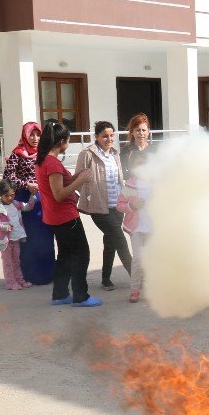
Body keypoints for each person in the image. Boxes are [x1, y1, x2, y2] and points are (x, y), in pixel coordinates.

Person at [35, 122, 99, 307]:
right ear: (62, 141)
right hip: (65, 216)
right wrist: (80, 181)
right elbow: (59, 194)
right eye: (68, 140)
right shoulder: (52, 163)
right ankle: (81, 296)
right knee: (81, 254)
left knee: (65, 255)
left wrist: (75, 176)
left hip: (55, 216)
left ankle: (60, 295)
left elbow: (57, 186)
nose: (69, 143)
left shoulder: (44, 160)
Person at [76, 121, 132, 291]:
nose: (109, 139)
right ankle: (137, 277)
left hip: (117, 206)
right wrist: (88, 194)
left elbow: (118, 180)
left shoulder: (115, 154)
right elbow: (77, 179)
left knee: (111, 242)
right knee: (120, 240)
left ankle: (105, 278)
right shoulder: (87, 154)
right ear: (97, 137)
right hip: (99, 207)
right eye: (105, 136)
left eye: (111, 135)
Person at [3, 121, 54, 285]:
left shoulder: (44, 153)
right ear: (25, 135)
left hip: (43, 200)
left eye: (38, 134)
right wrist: (26, 185)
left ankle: (48, 273)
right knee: (29, 238)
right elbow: (8, 178)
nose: (35, 138)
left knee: (45, 236)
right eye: (31, 134)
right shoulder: (16, 154)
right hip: (24, 201)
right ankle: (29, 275)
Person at [0, 179, 37, 290]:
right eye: (7, 196)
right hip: (4, 241)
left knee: (16, 261)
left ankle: (20, 280)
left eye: (12, 195)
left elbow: (28, 207)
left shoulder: (15, 204)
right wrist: (3, 227)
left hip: (16, 238)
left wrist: (33, 196)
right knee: (8, 262)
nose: (10, 198)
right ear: (0, 194)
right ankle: (10, 283)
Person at [117, 175, 152, 304]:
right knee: (138, 259)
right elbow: (119, 205)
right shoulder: (131, 184)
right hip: (136, 228)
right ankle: (135, 289)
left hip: (154, 229)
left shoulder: (157, 182)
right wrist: (132, 206)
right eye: (138, 163)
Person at [120, 113, 152, 182]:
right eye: (138, 130)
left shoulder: (154, 150)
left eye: (144, 130)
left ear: (148, 131)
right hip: (132, 188)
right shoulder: (125, 151)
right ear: (132, 132)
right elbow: (122, 173)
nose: (141, 133)